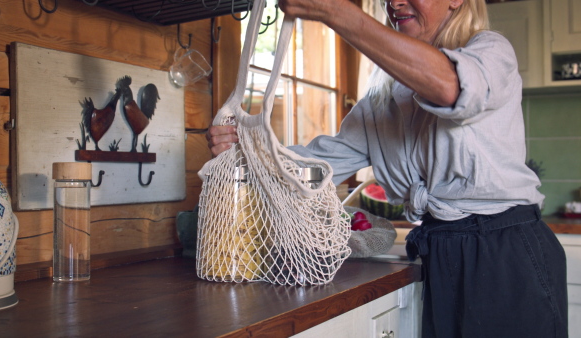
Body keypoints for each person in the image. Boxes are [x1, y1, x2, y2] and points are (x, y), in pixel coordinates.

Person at [206, 0, 569, 336]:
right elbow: (315, 165)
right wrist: (244, 149)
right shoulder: (382, 101)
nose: (395, 3)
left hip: (508, 255)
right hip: (441, 253)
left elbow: (451, 88)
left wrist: (338, 12)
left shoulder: (491, 51)